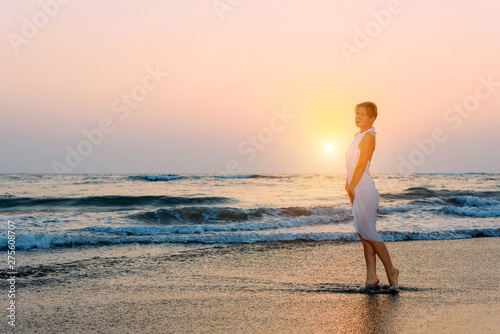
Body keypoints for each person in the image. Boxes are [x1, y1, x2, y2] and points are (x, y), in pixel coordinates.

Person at [345, 101, 399, 289]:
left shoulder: (369, 137)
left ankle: (391, 270)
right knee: (363, 232)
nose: (357, 117)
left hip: (365, 190)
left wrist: (352, 186)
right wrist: (348, 184)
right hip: (356, 188)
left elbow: (361, 165)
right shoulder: (357, 135)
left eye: (362, 114)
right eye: (356, 113)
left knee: (369, 232)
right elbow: (351, 165)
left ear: (372, 117)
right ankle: (371, 277)